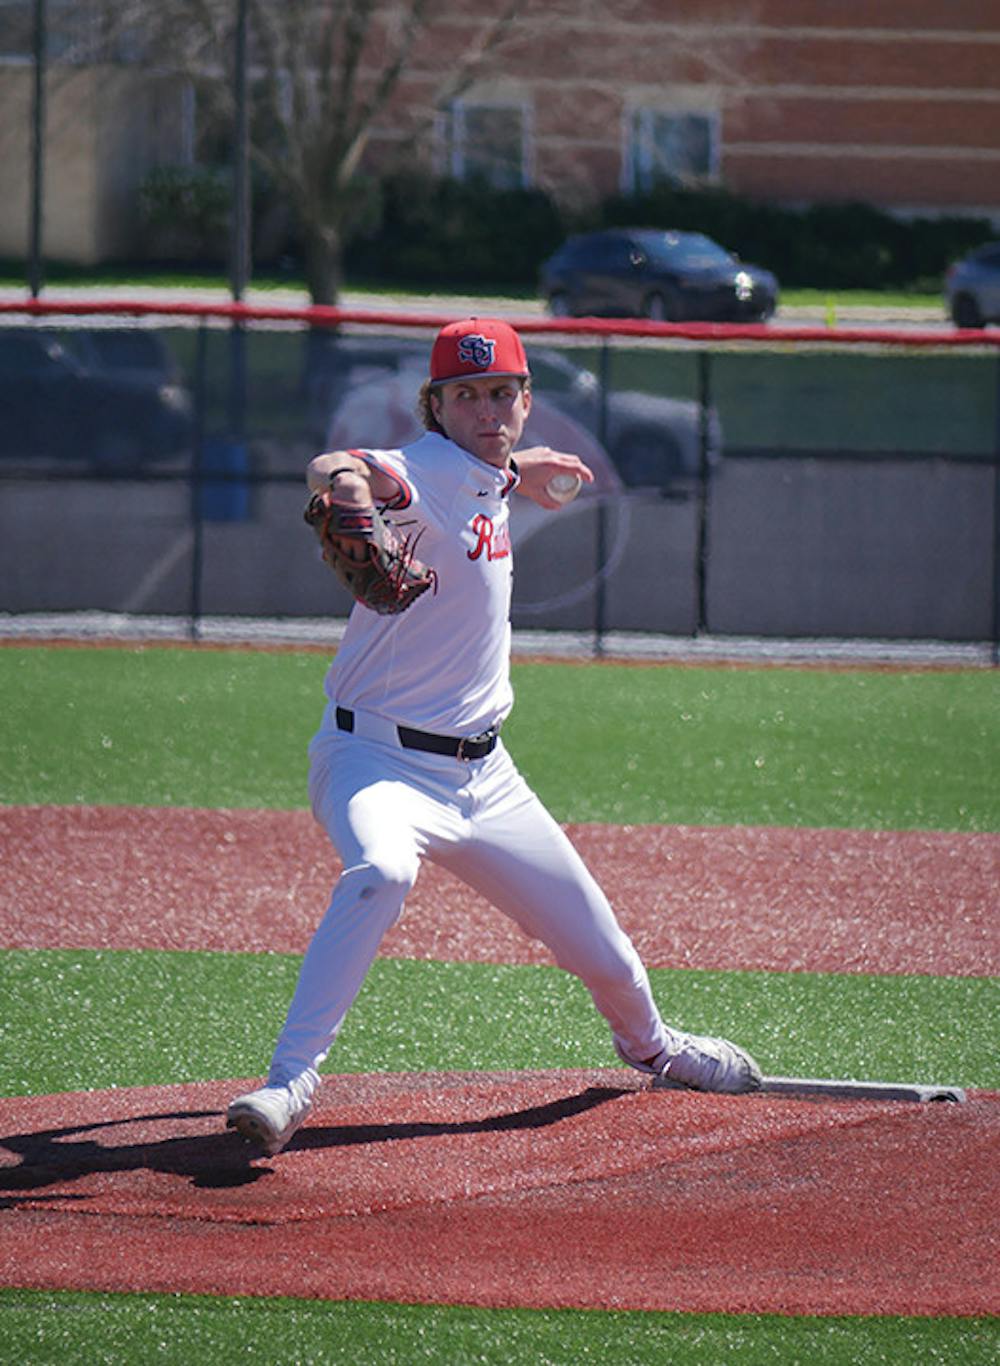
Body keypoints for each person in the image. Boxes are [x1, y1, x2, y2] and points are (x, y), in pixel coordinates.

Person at [227, 318, 762, 1157]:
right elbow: (343, 469)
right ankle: (289, 1083)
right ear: (434, 406)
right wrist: (344, 488)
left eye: (500, 393)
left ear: (525, 402)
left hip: (487, 777)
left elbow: (487, 479)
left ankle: (655, 1048)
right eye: (464, 394)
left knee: (609, 956)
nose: (485, 407)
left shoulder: (486, 470)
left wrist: (521, 471)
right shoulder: (424, 469)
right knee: (381, 870)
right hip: (376, 760)